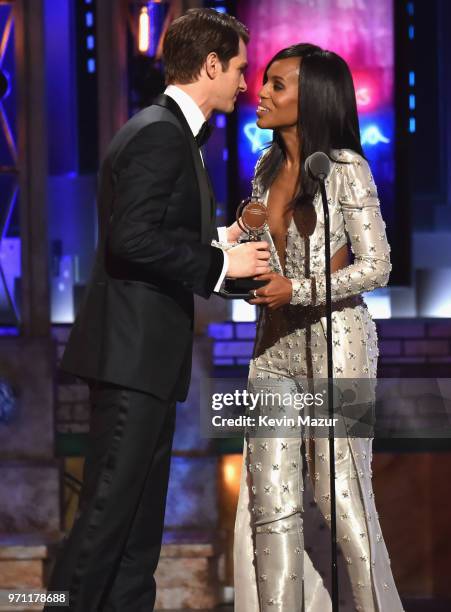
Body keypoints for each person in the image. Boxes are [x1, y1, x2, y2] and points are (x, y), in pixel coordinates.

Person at [44, 9, 271, 612]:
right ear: (211, 64)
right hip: (130, 360)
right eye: (240, 69)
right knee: (104, 524)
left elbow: (153, 232)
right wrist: (221, 268)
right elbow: (132, 239)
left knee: (137, 533)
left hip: (147, 362)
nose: (245, 83)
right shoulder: (159, 133)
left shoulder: (169, 132)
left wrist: (220, 245)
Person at [232, 44, 405, 611]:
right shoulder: (263, 168)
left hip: (339, 348)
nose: (262, 92)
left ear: (312, 98)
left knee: (343, 501)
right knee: (271, 508)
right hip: (271, 352)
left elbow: (378, 264)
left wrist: (299, 290)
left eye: (277, 85)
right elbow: (265, 257)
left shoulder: (346, 169)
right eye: (264, 81)